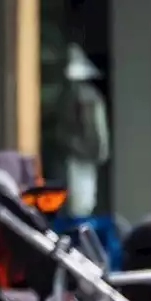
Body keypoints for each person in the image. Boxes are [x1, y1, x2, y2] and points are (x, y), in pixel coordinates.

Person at [59, 43, 110, 218]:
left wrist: (74, 144)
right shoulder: (88, 96)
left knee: (81, 206)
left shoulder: (86, 98)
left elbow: (94, 135)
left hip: (81, 156)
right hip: (80, 156)